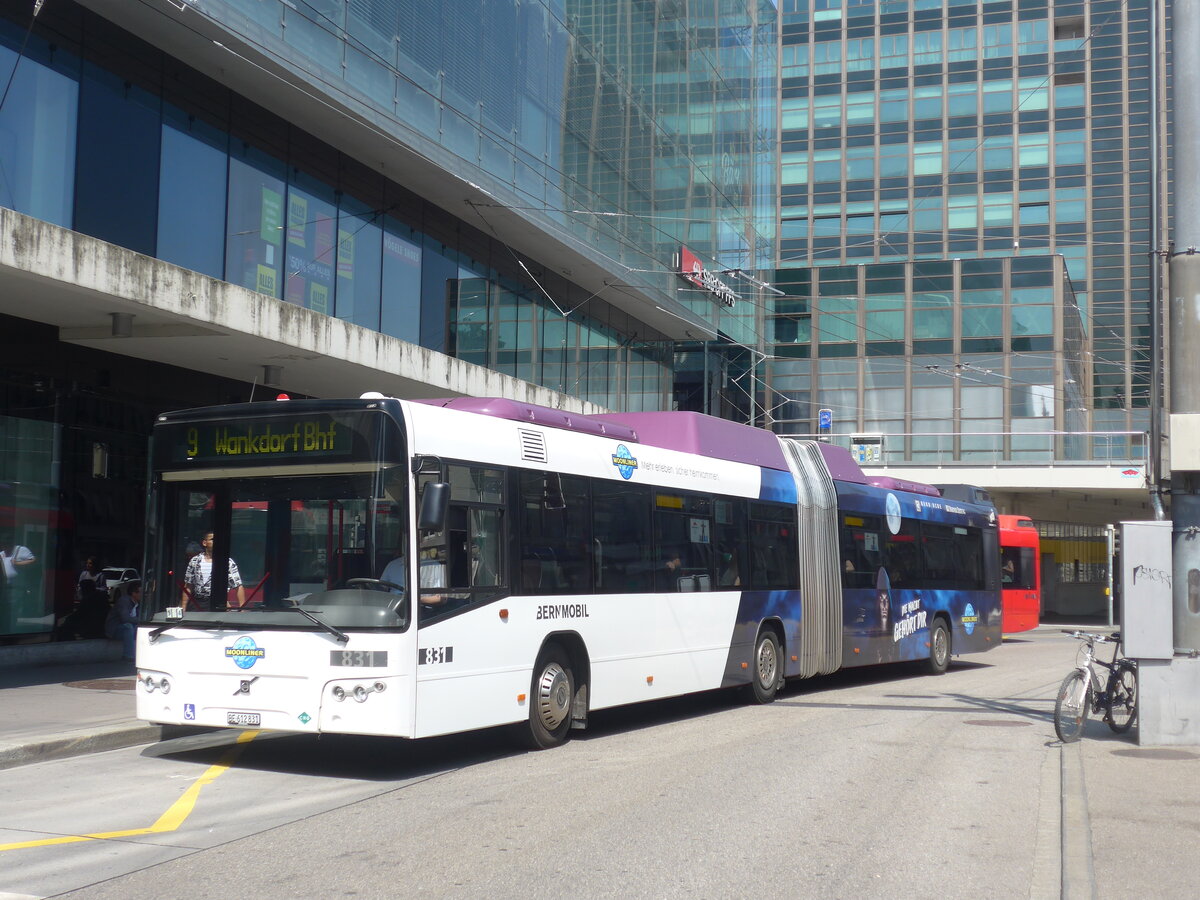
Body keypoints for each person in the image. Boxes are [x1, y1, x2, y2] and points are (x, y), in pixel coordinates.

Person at [182, 532, 245, 610]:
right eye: (212, 539)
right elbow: (188, 585)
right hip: (197, 603)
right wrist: (183, 607)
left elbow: (238, 585)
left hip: (217, 602)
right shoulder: (194, 560)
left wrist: (242, 608)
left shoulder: (227, 562)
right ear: (204, 543)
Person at [105, 580, 140, 662]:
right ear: (134, 593)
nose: (143, 595)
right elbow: (125, 618)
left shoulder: (138, 603)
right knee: (128, 627)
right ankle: (128, 656)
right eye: (140, 592)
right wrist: (141, 620)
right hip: (115, 629)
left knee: (140, 629)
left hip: (130, 628)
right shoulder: (124, 601)